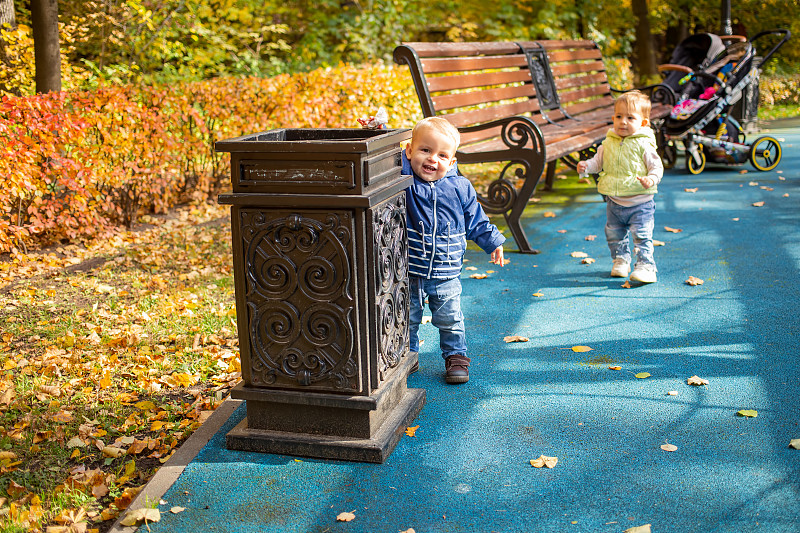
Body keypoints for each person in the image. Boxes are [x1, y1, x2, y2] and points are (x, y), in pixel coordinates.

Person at [402, 117, 506, 384]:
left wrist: (493, 241)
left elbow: (475, 219)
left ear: (452, 162)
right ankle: (408, 356)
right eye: (425, 150)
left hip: (446, 268)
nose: (432, 159)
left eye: (442, 155)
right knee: (408, 316)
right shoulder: (405, 180)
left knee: (449, 317)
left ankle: (456, 356)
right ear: (410, 151)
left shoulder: (459, 187)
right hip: (410, 268)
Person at [577, 90, 664, 284]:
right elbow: (597, 163)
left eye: (630, 117)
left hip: (640, 203)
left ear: (643, 122)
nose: (623, 122)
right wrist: (586, 166)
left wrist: (651, 178)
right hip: (614, 202)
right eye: (619, 116)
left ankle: (646, 267)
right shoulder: (608, 143)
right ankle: (621, 260)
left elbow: (656, 167)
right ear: (613, 118)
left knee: (641, 236)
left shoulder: (644, 144)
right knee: (614, 234)